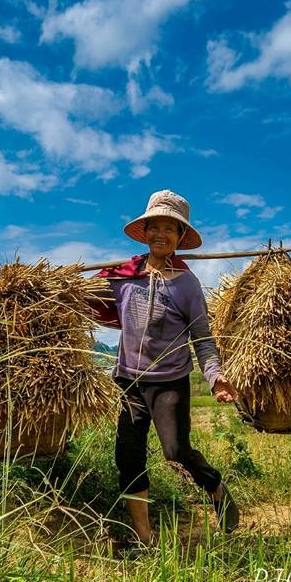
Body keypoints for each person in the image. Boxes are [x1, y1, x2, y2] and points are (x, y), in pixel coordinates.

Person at [91, 189, 241, 546]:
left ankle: (215, 487)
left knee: (175, 451)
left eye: (169, 229)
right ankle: (144, 538)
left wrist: (216, 376)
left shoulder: (187, 284)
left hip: (169, 382)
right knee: (127, 456)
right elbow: (83, 298)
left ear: (178, 238)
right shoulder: (123, 276)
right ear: (144, 233)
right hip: (129, 381)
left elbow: (202, 338)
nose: (160, 234)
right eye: (153, 227)